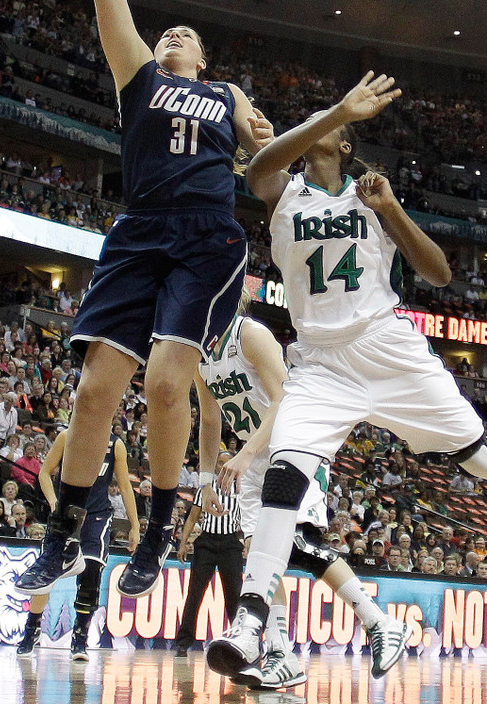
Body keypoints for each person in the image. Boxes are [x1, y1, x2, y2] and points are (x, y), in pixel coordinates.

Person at [205, 72, 487, 678]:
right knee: (286, 473)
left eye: (332, 123)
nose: (323, 122)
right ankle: (250, 622)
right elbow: (260, 163)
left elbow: (441, 274)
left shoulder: (372, 197)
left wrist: (391, 207)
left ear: (345, 145)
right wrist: (338, 109)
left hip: (387, 347)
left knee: (480, 460)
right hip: (319, 360)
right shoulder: (281, 192)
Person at [16, 0, 273, 599]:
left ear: (205, 60)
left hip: (206, 236)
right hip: (138, 231)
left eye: (187, 34)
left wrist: (261, 133)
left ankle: (159, 529)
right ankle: (64, 534)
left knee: (168, 383)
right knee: (95, 391)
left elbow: (264, 161)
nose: (174, 34)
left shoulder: (227, 97)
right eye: (169, 31)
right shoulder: (137, 74)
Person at [195, 294, 406, 686]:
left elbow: (284, 400)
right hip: (254, 461)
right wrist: (206, 481)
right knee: (259, 556)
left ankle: (379, 622)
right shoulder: (200, 353)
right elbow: (209, 420)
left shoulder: (249, 334)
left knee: (296, 545)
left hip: (295, 446)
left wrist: (245, 453)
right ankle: (280, 655)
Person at [16, 428, 139, 659]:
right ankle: (32, 628)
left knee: (91, 572)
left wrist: (135, 525)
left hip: (97, 516)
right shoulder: (67, 436)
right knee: (47, 573)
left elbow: (124, 486)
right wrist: (53, 502)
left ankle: (80, 637)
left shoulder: (115, 445)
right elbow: (44, 473)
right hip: (67, 514)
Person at [174, 452, 243, 658]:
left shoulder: (241, 490)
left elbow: (250, 519)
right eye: (219, 463)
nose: (223, 466)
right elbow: (192, 518)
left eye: (226, 463)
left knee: (234, 596)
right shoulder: (206, 489)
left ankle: (239, 641)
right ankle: (183, 643)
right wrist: (183, 543)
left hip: (231, 543)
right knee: (195, 593)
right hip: (206, 542)